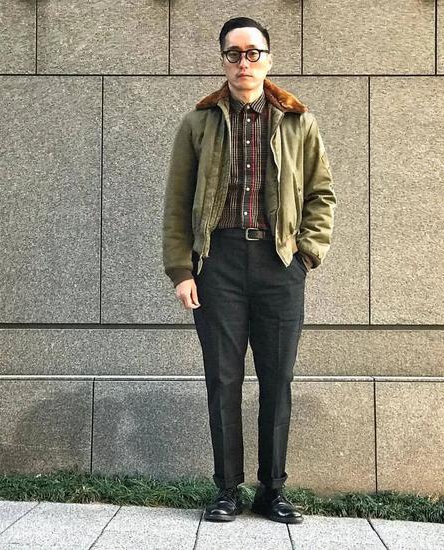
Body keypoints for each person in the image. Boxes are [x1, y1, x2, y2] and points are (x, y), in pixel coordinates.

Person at [162, 16, 336, 524]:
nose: (244, 62)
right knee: (223, 379)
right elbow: (177, 203)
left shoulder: (298, 122)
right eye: (234, 54)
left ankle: (272, 490)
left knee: (277, 380)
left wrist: (306, 254)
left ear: (268, 59)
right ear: (223, 60)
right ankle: (227, 490)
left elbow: (321, 194)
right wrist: (182, 270)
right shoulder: (199, 123)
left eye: (253, 52)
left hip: (279, 264)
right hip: (217, 265)